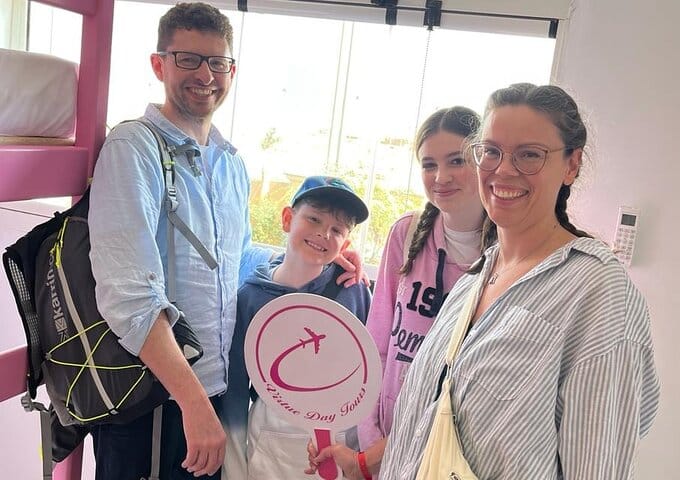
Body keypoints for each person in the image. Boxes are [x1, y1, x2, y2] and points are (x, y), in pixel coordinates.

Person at [87, 4, 362, 479]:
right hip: (153, 397)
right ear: (159, 64)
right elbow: (128, 295)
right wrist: (192, 402)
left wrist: (318, 254)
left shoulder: (230, 164)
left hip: (213, 394)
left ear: (231, 71)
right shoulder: (135, 147)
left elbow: (233, 261)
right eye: (188, 59)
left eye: (218, 62)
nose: (205, 75)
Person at [378, 83, 661, 479]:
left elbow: (597, 465)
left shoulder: (597, 292)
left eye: (530, 154)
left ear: (572, 164)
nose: (504, 170)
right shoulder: (475, 279)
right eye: (492, 152)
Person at [306, 106, 492, 479]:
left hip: (452, 448)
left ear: (482, 160)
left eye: (456, 161)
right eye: (428, 164)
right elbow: (377, 343)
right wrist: (370, 438)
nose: (441, 176)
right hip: (382, 438)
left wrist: (378, 455)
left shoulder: (506, 253)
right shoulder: (406, 234)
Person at [220, 175, 373, 480]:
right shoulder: (250, 297)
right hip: (268, 449)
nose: (323, 234)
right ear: (288, 219)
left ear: (346, 243)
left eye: (337, 230)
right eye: (314, 219)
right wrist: (234, 469)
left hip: (339, 448)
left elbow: (371, 374)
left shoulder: (353, 290)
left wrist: (363, 456)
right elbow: (235, 390)